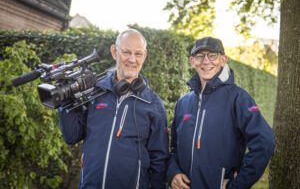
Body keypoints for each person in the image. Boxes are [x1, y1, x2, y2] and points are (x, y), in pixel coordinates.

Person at [58, 29, 169, 189]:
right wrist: (65, 100)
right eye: (126, 52)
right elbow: (72, 136)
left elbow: (159, 158)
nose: (132, 59)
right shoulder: (94, 92)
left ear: (144, 56)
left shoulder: (153, 103)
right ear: (114, 52)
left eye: (138, 54)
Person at [167, 37, 275, 189]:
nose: (206, 61)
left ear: (223, 60)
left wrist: (237, 184)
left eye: (212, 55)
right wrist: (173, 172)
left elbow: (265, 142)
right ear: (192, 61)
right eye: (200, 56)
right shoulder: (183, 103)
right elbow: (173, 149)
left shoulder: (238, 98)